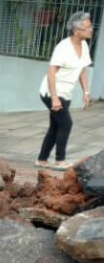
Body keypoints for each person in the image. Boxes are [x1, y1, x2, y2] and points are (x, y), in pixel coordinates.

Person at [36, 12, 94, 171]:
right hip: (52, 92)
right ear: (76, 30)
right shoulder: (63, 47)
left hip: (65, 93)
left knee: (55, 127)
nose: (91, 29)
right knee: (66, 124)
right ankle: (60, 160)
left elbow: (82, 70)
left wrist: (86, 92)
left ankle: (41, 160)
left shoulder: (83, 46)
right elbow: (51, 72)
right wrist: (54, 98)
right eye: (88, 27)